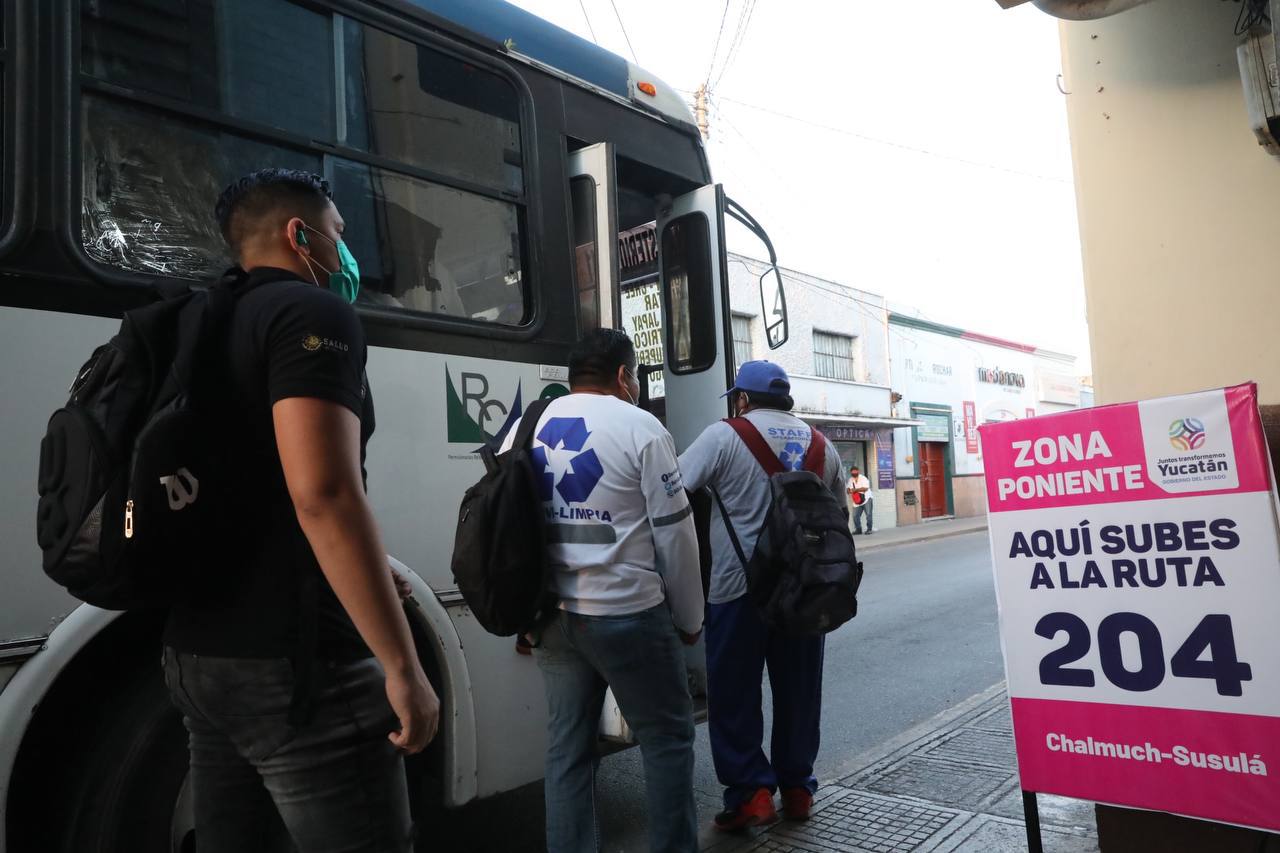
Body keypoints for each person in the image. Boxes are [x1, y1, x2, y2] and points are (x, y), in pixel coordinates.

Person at [162, 169, 439, 853]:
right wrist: (401, 666)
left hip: (197, 652)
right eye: (340, 234)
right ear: (301, 234)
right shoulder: (311, 313)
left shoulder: (206, 316)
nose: (347, 254)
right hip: (294, 663)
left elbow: (250, 490)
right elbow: (323, 494)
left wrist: (372, 574)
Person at [500, 328, 704, 853]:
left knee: (567, 751)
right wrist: (689, 618)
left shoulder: (526, 424)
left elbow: (508, 525)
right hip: (626, 614)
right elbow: (676, 534)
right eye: (635, 375)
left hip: (551, 615)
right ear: (622, 376)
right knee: (667, 741)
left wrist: (522, 612)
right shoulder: (642, 427)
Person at [678, 360, 847, 831]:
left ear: (743, 399)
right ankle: (797, 790)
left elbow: (673, 489)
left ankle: (751, 795)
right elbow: (837, 520)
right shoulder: (822, 444)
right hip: (805, 592)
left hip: (736, 589)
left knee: (733, 694)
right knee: (799, 692)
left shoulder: (724, 436)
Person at [847, 465, 874, 535]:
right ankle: (858, 529)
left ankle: (869, 529)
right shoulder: (850, 480)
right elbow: (848, 489)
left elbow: (866, 488)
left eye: (855, 472)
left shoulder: (863, 478)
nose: (854, 473)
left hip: (866, 498)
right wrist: (849, 490)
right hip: (857, 500)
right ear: (851, 472)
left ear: (858, 471)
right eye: (852, 472)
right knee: (855, 516)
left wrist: (856, 490)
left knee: (868, 514)